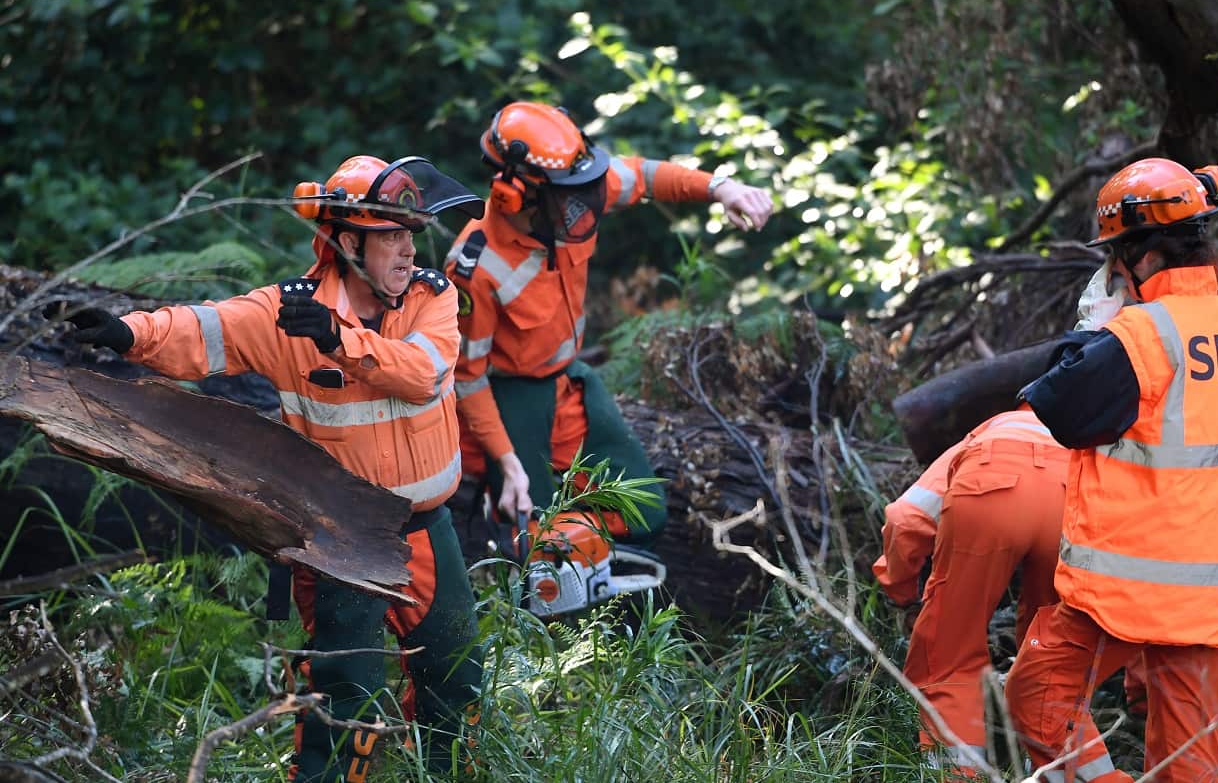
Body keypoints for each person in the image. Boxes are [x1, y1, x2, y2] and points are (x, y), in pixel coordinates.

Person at [54, 155, 486, 781]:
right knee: (345, 698)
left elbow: (423, 376)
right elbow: (205, 328)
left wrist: (340, 341)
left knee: (456, 673)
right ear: (345, 240)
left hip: (427, 530)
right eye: (389, 233)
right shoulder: (287, 312)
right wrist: (126, 332)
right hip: (340, 541)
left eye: (409, 233)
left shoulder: (432, 299)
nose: (405, 249)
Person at [1007, 158, 1218, 781]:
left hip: (1126, 590)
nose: (1111, 274)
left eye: (1114, 260)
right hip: (1209, 596)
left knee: (1038, 696)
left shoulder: (1142, 336)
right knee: (1189, 762)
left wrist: (1091, 332)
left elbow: (1063, 409)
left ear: (1143, 259)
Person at [444, 101, 774, 546]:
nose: (582, 203)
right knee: (529, 531)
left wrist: (721, 188)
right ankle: (545, 577)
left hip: (569, 378)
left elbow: (645, 177)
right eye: (566, 194)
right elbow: (467, 376)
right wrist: (506, 461)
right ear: (516, 193)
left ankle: (582, 550)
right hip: (508, 396)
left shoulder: (574, 196)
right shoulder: (476, 266)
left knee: (642, 509)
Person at [875, 406, 1069, 779]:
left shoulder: (990, 430)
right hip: (1069, 501)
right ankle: (1050, 773)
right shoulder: (1082, 434)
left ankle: (958, 775)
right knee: (1053, 655)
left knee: (949, 655)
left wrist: (899, 587)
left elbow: (904, 517)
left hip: (989, 488)